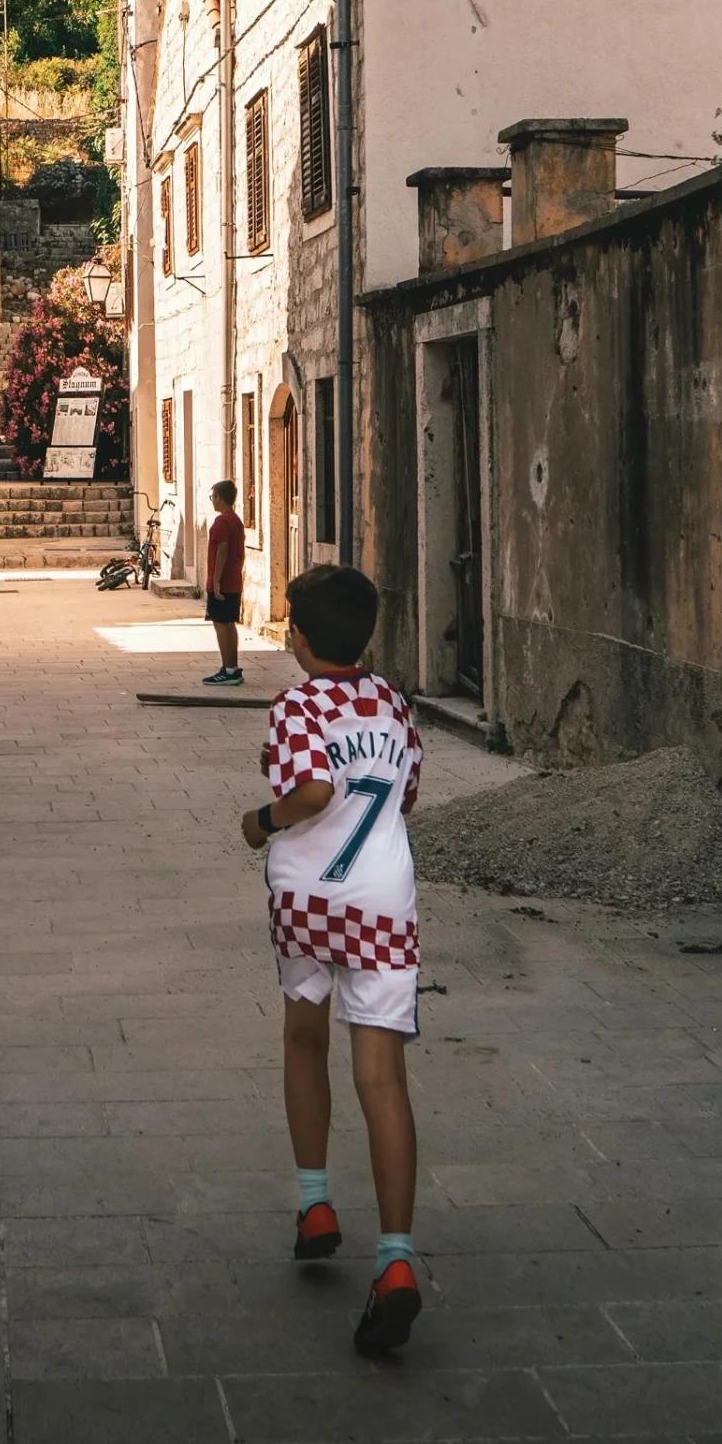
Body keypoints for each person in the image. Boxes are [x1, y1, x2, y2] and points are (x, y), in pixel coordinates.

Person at [238, 563, 425, 1357]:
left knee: (302, 1038)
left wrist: (258, 821)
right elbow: (405, 795)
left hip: (309, 898)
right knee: (380, 1075)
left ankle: (314, 1203)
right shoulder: (391, 703)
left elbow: (310, 793)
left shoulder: (295, 706)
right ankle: (396, 1260)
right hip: (383, 900)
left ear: (297, 637)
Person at [201, 479, 246, 687]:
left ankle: (228, 669)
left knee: (220, 624)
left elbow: (223, 550)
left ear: (219, 497)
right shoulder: (236, 520)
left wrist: (216, 581)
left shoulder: (221, 522)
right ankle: (232, 667)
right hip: (234, 579)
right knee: (229, 623)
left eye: (213, 497)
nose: (213, 502)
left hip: (223, 581)